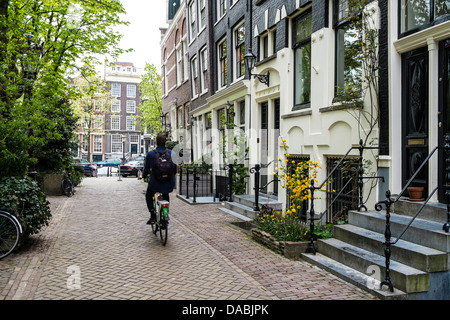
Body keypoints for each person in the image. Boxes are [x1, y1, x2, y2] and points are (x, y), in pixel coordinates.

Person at [142, 133, 177, 224]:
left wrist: (144, 176)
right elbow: (175, 168)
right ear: (165, 142)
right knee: (165, 194)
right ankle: (166, 214)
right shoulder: (171, 153)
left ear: (156, 143)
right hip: (169, 182)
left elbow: (146, 168)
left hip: (155, 183)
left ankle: (153, 216)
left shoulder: (151, 154)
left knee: (149, 195)